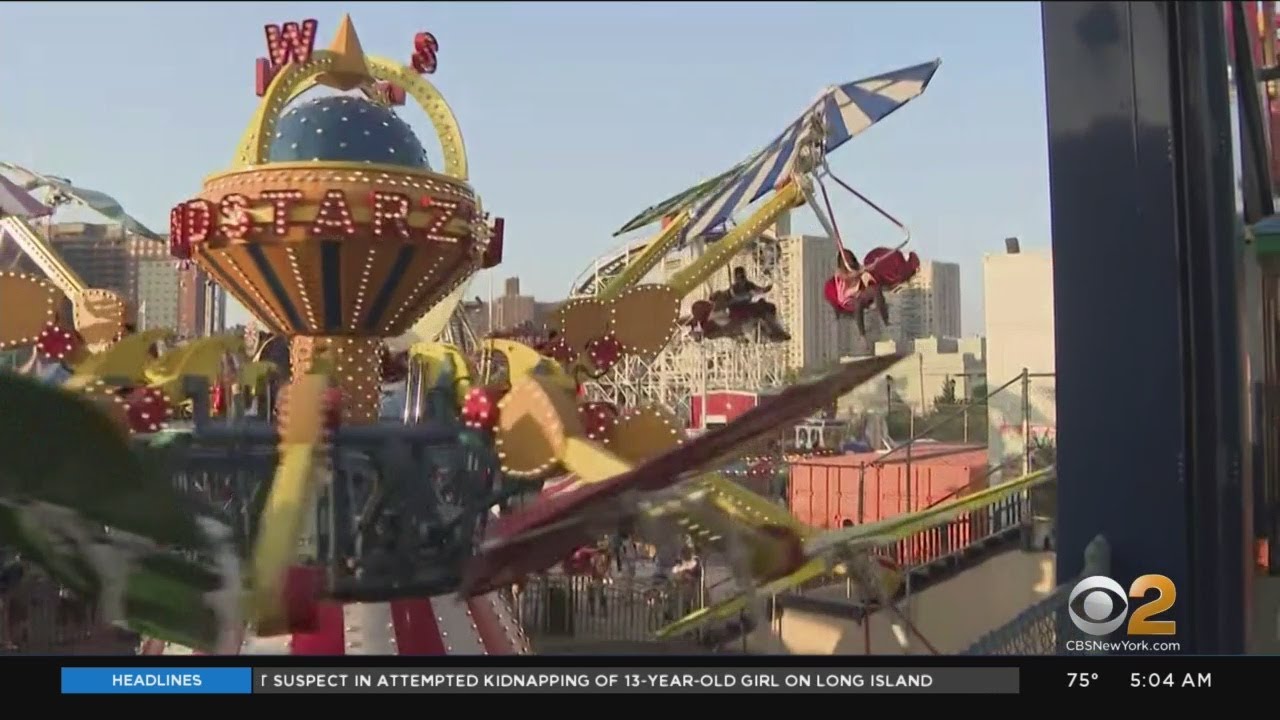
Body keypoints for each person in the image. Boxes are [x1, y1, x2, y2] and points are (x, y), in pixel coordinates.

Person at [834, 249, 890, 337]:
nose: (849, 260)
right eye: (846, 258)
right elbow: (847, 277)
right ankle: (862, 334)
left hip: (860, 294)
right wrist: (861, 271)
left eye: (850, 258)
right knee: (858, 303)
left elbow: (868, 269)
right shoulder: (839, 271)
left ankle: (886, 321)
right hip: (847, 300)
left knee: (876, 289)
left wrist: (875, 264)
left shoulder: (858, 267)